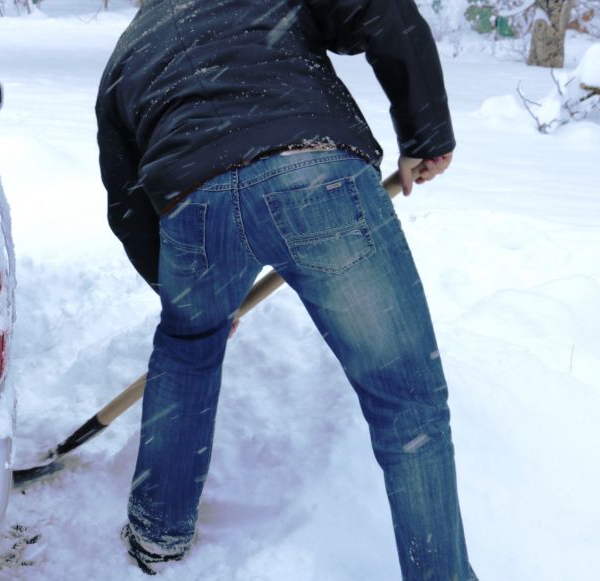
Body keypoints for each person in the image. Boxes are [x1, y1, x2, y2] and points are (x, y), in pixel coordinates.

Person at [96, 0, 476, 579]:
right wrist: (425, 133)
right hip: (313, 172)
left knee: (187, 350)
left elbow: (127, 205)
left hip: (192, 203)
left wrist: (185, 299)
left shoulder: (128, 52)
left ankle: (157, 533)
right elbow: (383, 11)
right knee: (406, 401)